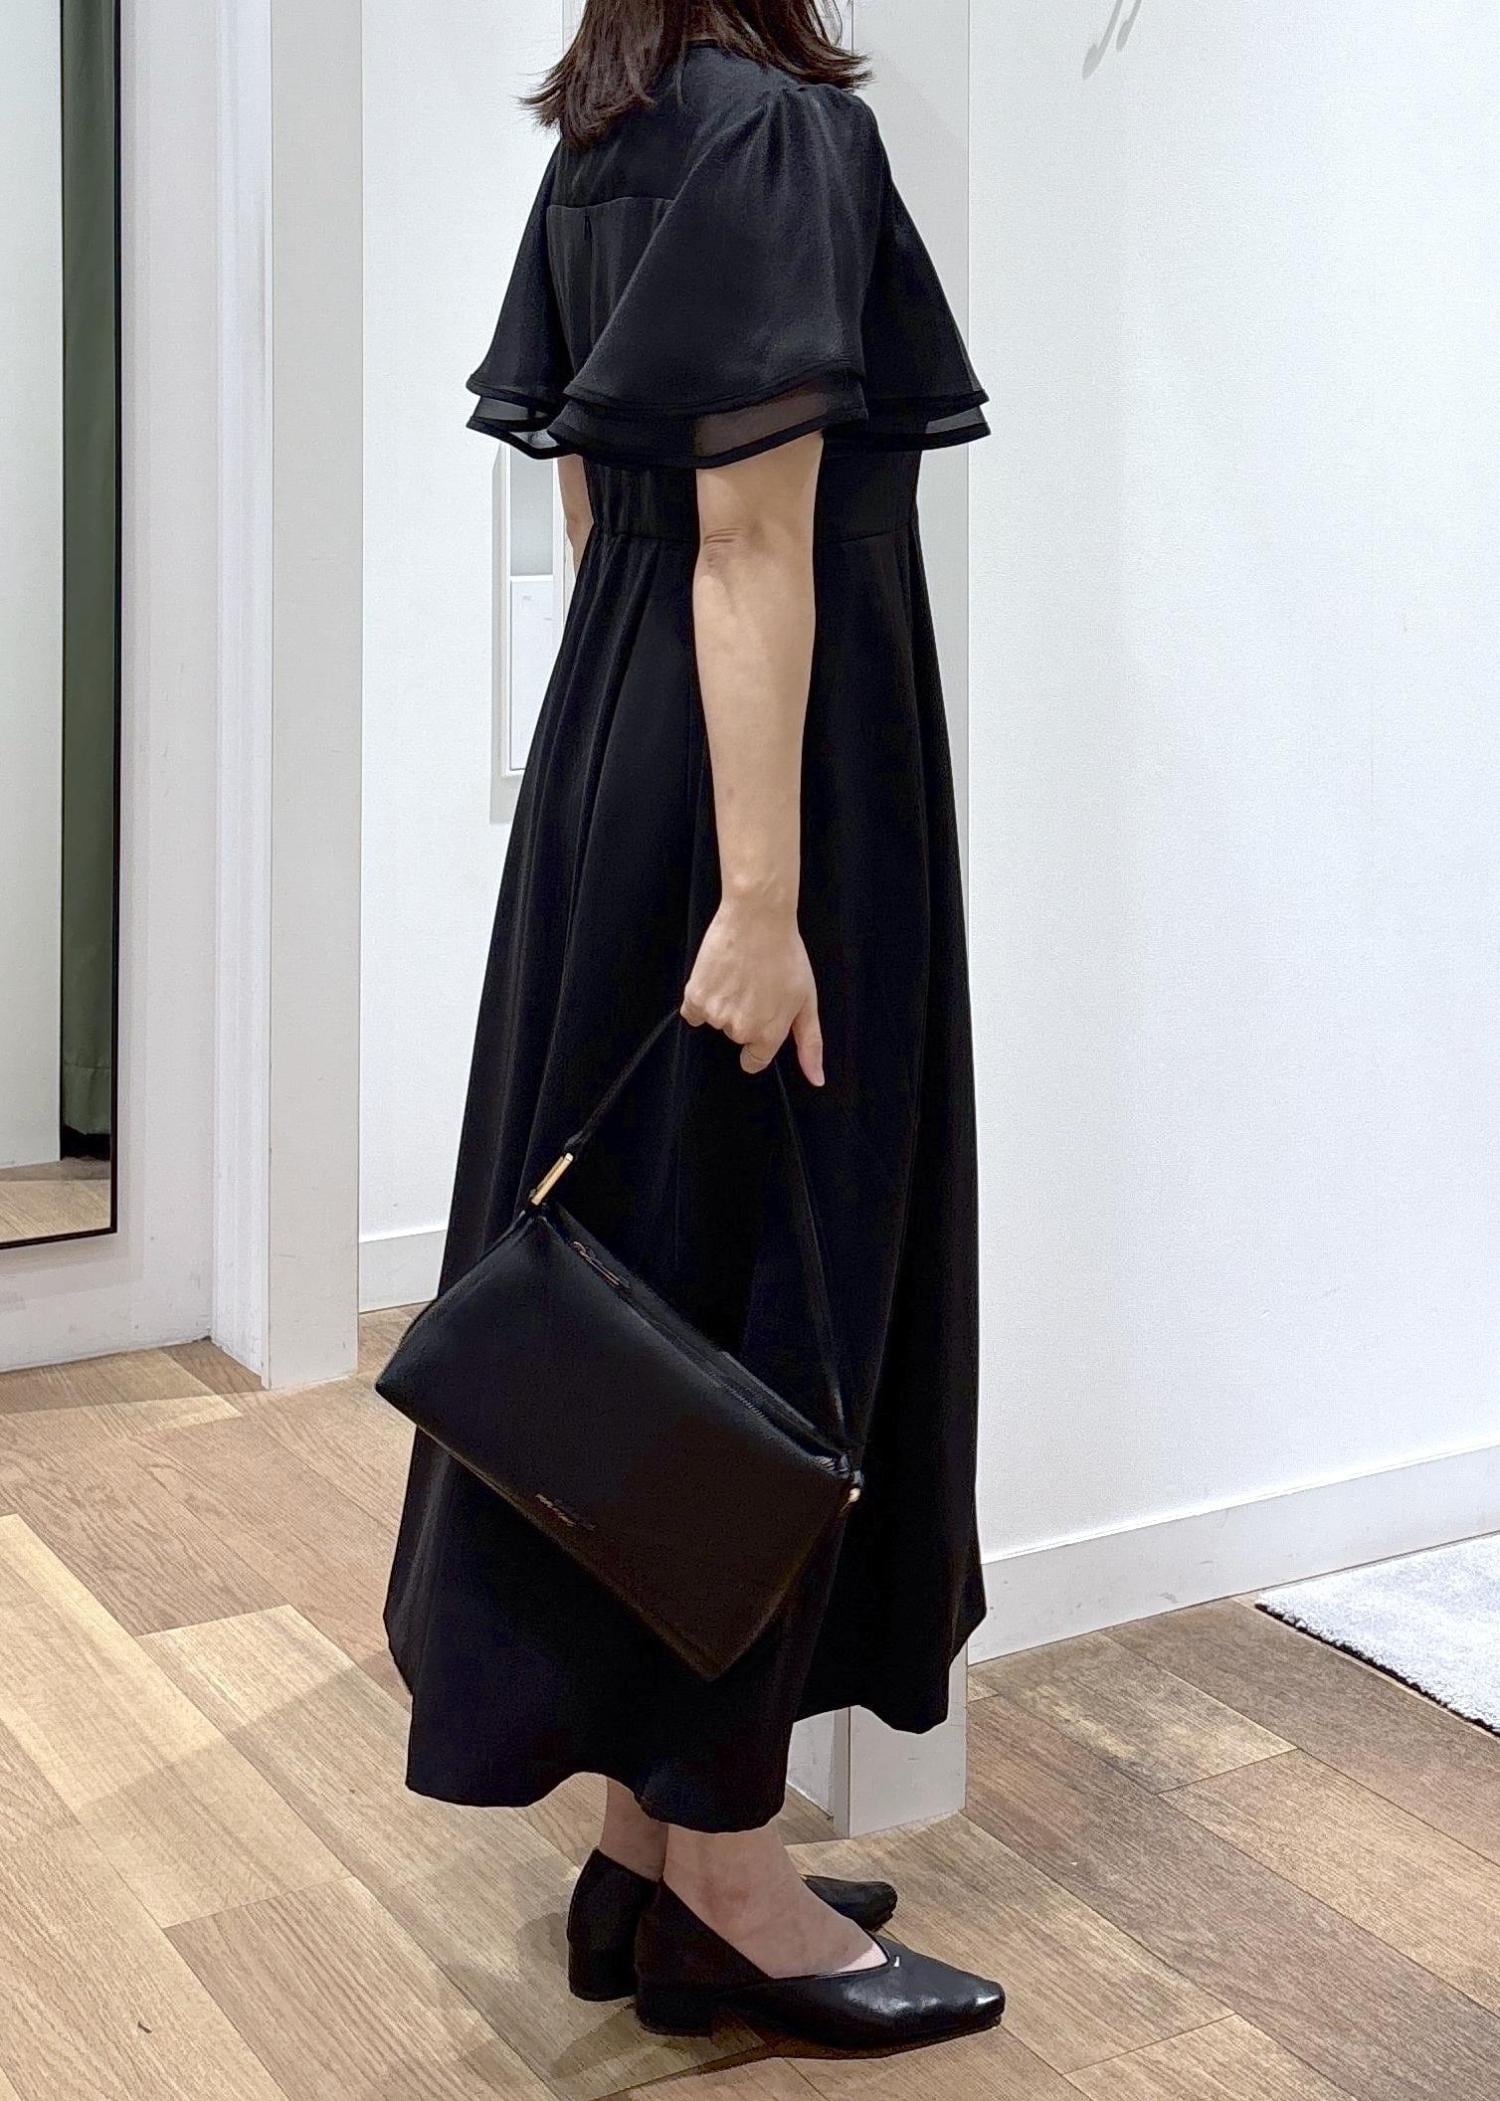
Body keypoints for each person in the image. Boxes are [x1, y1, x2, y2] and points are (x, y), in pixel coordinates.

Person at [383, 0, 1002, 2051]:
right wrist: (758, 898)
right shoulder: (782, 134)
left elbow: (594, 506)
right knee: (770, 1286)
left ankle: (651, 1847)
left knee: (649, 1272)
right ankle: (733, 1886)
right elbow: (752, 540)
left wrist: (659, 813)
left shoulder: (610, 134)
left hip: (621, 748)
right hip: (771, 797)